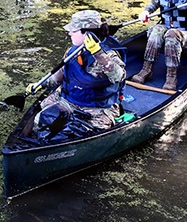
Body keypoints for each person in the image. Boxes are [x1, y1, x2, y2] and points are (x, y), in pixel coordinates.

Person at [30, 10, 126, 144]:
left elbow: (118, 76)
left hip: (97, 107)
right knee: (40, 119)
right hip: (71, 99)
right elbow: (62, 73)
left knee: (88, 132)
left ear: (88, 34)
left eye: (73, 31)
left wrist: (97, 52)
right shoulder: (74, 50)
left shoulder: (108, 54)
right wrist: (41, 84)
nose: (69, 33)